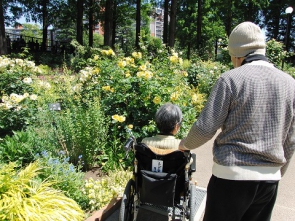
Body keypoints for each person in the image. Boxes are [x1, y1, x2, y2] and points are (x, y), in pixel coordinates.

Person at [179, 21, 295, 221]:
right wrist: (277, 171)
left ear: (237, 55)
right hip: (269, 181)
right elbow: (290, 139)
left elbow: (206, 126)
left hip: (231, 177)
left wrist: (184, 145)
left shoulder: (231, 79)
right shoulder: (290, 84)